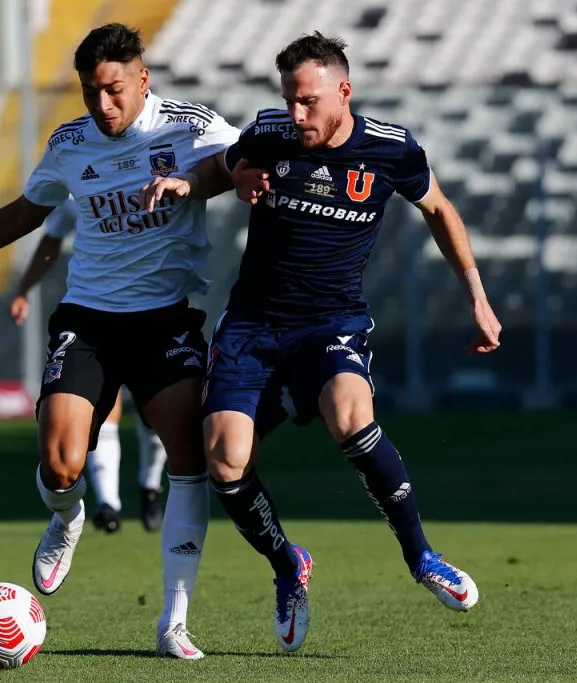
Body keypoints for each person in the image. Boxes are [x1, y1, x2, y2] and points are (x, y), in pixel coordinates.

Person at [0, 23, 240, 659]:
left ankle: (174, 621)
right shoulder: (70, 142)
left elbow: (244, 160)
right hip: (90, 319)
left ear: (142, 80)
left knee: (189, 459)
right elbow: (26, 211)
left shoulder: (189, 124)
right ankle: (68, 514)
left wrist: (197, 183)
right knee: (60, 463)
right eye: (90, 92)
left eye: (114, 90)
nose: (103, 105)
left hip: (165, 319)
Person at [163, 31, 502, 653]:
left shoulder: (391, 150)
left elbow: (439, 210)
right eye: (290, 100)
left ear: (343, 92)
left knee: (351, 414)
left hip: (331, 322)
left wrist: (476, 296)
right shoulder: (269, 132)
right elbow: (223, 166)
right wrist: (201, 183)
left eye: (309, 102)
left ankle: (422, 557)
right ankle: (289, 565)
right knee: (224, 460)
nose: (297, 115)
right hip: (252, 325)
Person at [9, 198, 168, 534]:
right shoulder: (80, 186)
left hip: (155, 312)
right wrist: (24, 288)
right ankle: (109, 505)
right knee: (100, 409)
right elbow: (52, 238)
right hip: (95, 319)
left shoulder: (156, 170)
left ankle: (150, 486)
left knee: (154, 414)